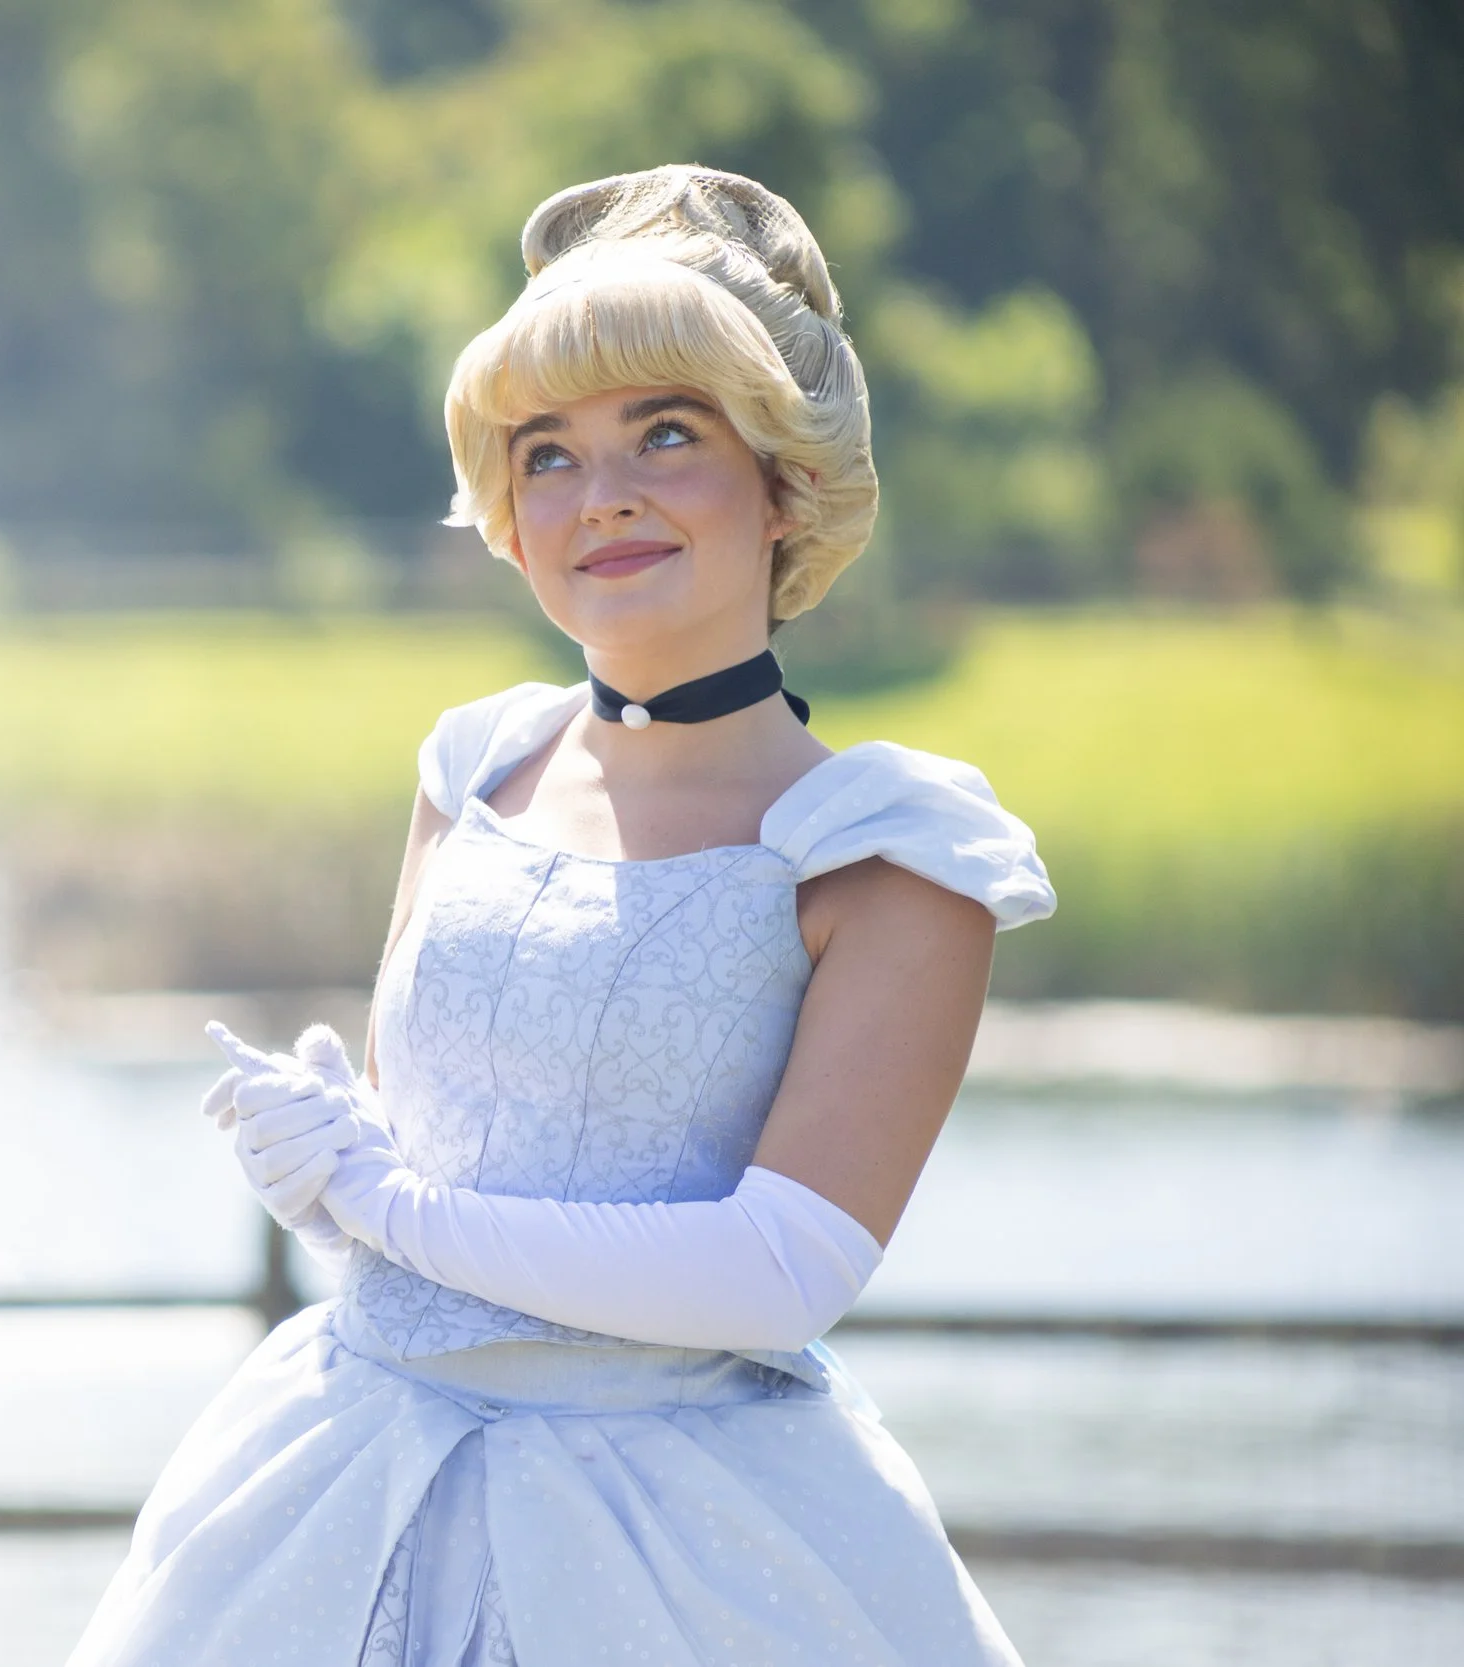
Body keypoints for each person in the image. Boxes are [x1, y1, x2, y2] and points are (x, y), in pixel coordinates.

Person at [67, 164, 1054, 1667]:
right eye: (549, 455)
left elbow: (781, 1269)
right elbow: (434, 1128)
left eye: (668, 434)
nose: (607, 497)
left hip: (682, 1540)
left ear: (784, 479)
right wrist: (336, 1156)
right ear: (508, 517)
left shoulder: (889, 849)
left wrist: (397, 1215)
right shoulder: (474, 768)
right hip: (344, 1474)